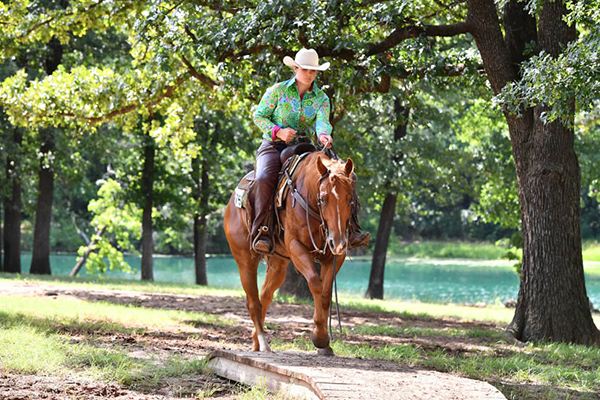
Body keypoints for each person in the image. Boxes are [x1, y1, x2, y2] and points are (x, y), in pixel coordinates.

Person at [249, 48, 370, 254]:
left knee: (345, 176)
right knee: (263, 177)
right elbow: (259, 116)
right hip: (273, 145)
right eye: (305, 69)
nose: (310, 74)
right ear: (295, 68)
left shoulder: (321, 98)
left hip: (305, 146)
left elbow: (323, 122)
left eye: (313, 71)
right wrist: (278, 132)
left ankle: (350, 230)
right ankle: (262, 230)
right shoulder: (277, 90)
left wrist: (324, 135)